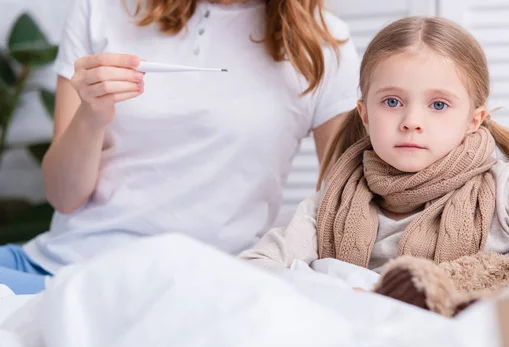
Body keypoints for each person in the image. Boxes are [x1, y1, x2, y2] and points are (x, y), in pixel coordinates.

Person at [0, 0, 360, 294]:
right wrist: (90, 116)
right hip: (58, 271)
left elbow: (346, 206)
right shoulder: (101, 9)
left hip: (202, 289)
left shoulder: (323, 46)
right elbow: (64, 197)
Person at [240, 17, 509, 286]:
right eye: (392, 102)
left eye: (438, 104)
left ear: (472, 121)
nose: (411, 122)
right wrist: (337, 298)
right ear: (365, 114)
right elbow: (251, 270)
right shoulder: (329, 205)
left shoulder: (503, 196)